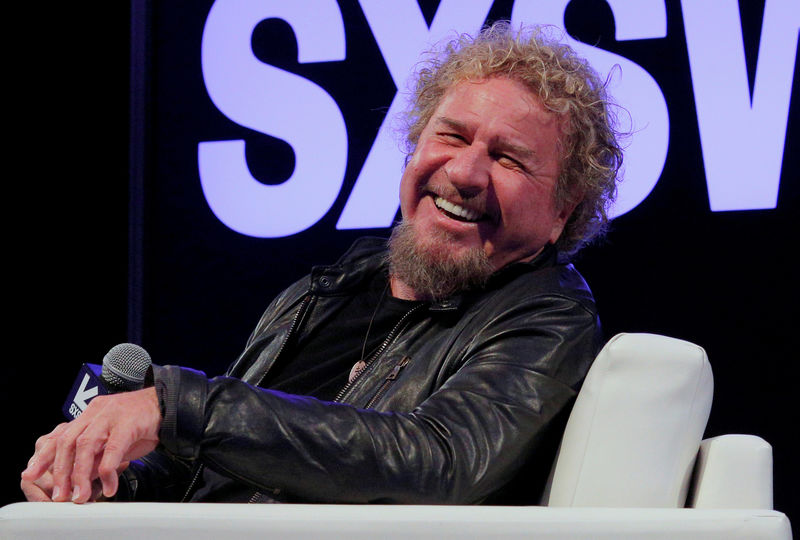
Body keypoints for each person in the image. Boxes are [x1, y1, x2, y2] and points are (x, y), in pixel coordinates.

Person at [21, 21, 623, 505]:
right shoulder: (332, 284)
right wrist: (106, 479)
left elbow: (436, 462)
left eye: (510, 159)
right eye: (452, 136)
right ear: (414, 146)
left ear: (561, 215)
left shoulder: (546, 313)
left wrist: (175, 405)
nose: (465, 172)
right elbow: (204, 475)